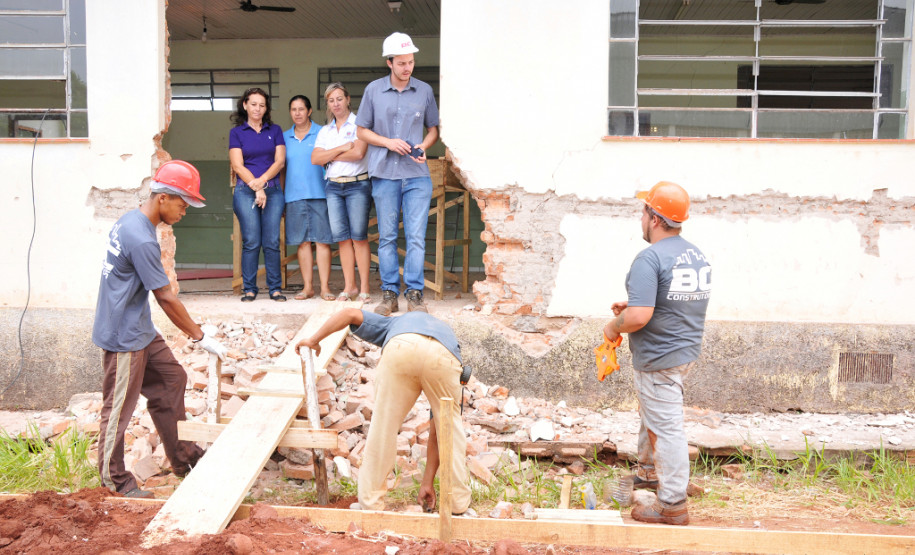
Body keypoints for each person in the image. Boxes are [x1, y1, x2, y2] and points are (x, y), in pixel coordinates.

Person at [92, 160, 228, 498]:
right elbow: (165, 297)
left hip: (139, 326)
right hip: (124, 335)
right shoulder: (141, 238)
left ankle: (184, 459)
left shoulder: (134, 220)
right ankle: (115, 483)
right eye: (183, 204)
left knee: (172, 380)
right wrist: (200, 336)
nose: (185, 211)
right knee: (118, 409)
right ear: (164, 198)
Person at [602, 181, 711, 526]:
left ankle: (672, 503)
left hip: (660, 357)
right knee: (654, 412)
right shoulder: (694, 254)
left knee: (666, 428)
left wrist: (614, 325)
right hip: (684, 352)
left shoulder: (650, 257)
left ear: (655, 217)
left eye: (644, 210)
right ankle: (649, 473)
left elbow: (638, 317)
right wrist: (636, 306)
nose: (641, 216)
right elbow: (672, 302)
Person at [295, 308, 471, 514]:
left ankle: (370, 502)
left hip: (401, 346)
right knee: (449, 429)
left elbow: (350, 313)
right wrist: (427, 482)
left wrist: (314, 339)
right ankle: (458, 505)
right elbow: (436, 432)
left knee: (383, 425)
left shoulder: (395, 323)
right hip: (444, 356)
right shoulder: (446, 332)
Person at [356, 32, 440, 315]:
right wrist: (388, 142)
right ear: (389, 63)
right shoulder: (373, 91)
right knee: (388, 236)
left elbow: (433, 129)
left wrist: (425, 145)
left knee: (416, 236)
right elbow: (361, 130)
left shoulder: (425, 91)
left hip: (416, 174)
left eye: (411, 62)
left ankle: (415, 294)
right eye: (402, 63)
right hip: (384, 173)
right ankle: (390, 294)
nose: (408, 68)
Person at [312, 83, 371, 303]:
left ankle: (364, 287)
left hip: (357, 185)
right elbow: (315, 159)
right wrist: (341, 148)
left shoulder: (360, 124)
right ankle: (350, 287)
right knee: (343, 239)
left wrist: (329, 155)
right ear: (327, 104)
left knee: (359, 237)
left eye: (339, 98)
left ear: (347, 99)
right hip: (333, 187)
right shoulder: (325, 130)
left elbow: (358, 153)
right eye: (331, 100)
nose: (335, 104)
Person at [229, 87, 287, 302]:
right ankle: (250, 289)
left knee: (272, 241)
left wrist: (262, 183)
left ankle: (275, 289)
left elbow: (279, 161)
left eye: (262, 105)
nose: (257, 108)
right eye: (253, 104)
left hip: (272, 191)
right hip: (245, 192)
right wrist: (257, 187)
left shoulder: (276, 130)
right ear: (245, 105)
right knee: (252, 240)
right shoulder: (237, 133)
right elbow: (237, 164)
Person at [283, 94, 334, 301]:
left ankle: (325, 288)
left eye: (301, 109)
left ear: (309, 111)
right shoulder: (284, 137)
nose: (297, 113)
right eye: (293, 110)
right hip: (293, 196)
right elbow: (282, 169)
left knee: (322, 241)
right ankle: (307, 287)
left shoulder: (322, 133)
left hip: (320, 193)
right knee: (302, 243)